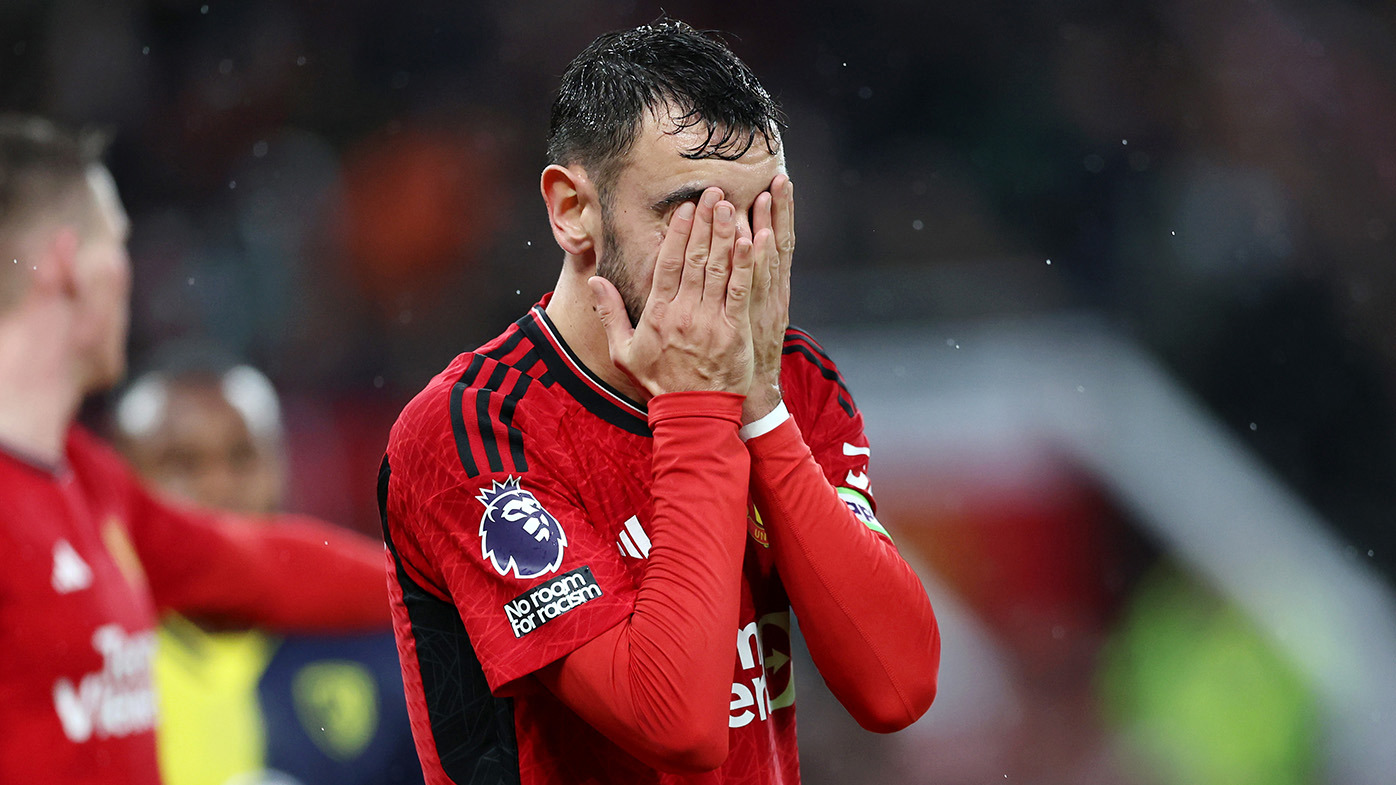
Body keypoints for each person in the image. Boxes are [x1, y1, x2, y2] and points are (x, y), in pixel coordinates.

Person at [378, 20, 940, 784]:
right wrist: (697, 409)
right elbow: (676, 723)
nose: (732, 254)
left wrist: (763, 413)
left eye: (758, 214)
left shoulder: (792, 378)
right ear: (573, 209)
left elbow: (897, 684)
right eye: (691, 212)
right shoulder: (476, 431)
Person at [0, 115, 389, 785]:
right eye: (118, 243)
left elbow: (253, 566)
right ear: (67, 265)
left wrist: (465, 575)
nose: (130, 273)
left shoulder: (89, 481)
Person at [113, 360, 424, 785]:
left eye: (242, 459)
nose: (218, 487)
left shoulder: (381, 646)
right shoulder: (99, 656)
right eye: (182, 464)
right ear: (122, 483)